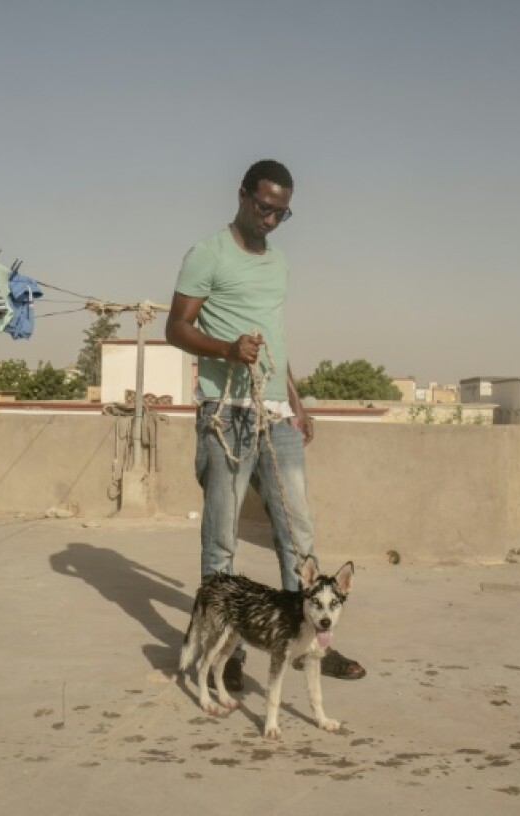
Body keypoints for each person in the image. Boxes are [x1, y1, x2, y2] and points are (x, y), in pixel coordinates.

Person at [165, 159, 366, 689]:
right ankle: (222, 647)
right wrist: (228, 350)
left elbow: (275, 341)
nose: (273, 219)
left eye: (283, 212)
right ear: (242, 196)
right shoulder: (206, 254)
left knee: (298, 534)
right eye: (265, 207)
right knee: (222, 541)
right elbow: (176, 328)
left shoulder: (278, 263)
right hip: (226, 412)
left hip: (275, 415)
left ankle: (307, 643)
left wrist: (297, 401)